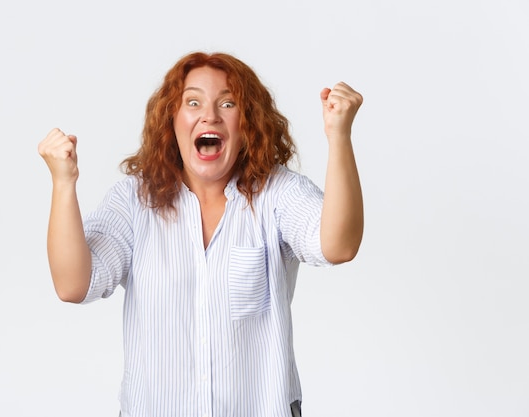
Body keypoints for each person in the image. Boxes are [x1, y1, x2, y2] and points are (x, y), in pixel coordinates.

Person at [38, 51, 363, 417]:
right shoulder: (134, 200)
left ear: (247, 123)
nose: (210, 114)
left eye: (227, 103)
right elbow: (73, 285)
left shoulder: (277, 193)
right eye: (193, 102)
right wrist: (64, 184)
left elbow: (339, 245)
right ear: (172, 120)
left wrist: (339, 137)